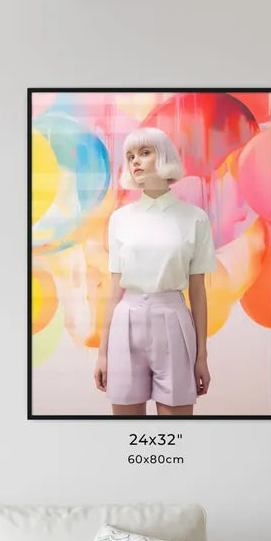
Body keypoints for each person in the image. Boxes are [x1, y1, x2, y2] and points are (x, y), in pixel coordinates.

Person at [95, 127, 216, 416]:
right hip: (126, 322)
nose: (135, 161)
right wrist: (102, 353)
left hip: (173, 318)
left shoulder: (194, 219)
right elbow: (115, 290)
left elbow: (197, 292)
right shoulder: (119, 219)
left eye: (144, 153)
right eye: (130, 155)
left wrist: (202, 356)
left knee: (176, 426)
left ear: (164, 158)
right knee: (127, 429)